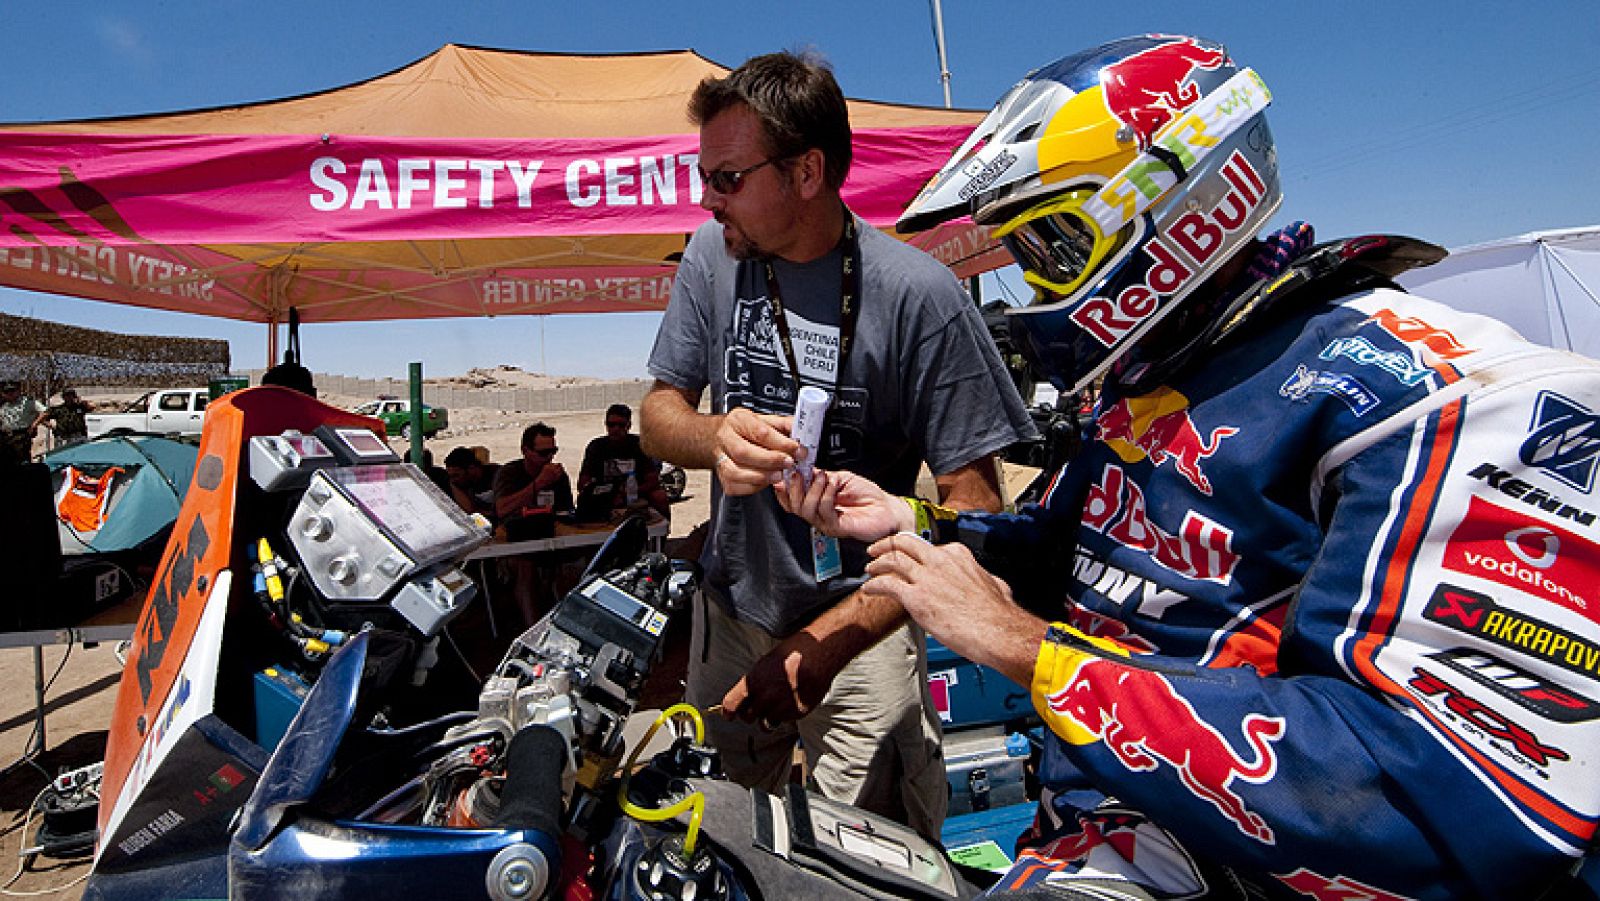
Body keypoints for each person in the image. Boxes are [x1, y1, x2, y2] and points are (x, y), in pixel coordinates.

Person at [778, 34, 1600, 900]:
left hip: (1247, 865)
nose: (1029, 286)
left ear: (1176, 200)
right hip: (1110, 821)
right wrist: (921, 524)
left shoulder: (1450, 395)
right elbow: (1076, 554)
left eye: (1049, 246)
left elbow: (1449, 799)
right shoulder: (1157, 380)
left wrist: (1030, 653)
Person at [640, 50, 1036, 841]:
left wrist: (828, 644)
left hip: (864, 635)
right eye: (703, 176)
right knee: (712, 838)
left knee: (868, 860)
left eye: (728, 178)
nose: (709, 198)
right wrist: (714, 435)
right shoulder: (711, 258)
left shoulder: (919, 295)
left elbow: (976, 507)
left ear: (806, 172)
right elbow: (658, 413)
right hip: (731, 612)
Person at [493, 422, 576, 625]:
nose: (549, 458)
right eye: (543, 453)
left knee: (574, 562)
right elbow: (502, 508)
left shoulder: (558, 476)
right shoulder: (509, 473)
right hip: (517, 541)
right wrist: (539, 483)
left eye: (553, 451)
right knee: (525, 565)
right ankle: (533, 627)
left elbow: (566, 510)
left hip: (550, 536)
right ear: (526, 451)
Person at [577, 404, 670, 520]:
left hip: (636, 493)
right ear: (606, 425)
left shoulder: (639, 445)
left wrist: (630, 492)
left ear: (628, 426)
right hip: (604, 494)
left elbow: (652, 480)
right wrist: (604, 493)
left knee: (659, 497)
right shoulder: (596, 446)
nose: (615, 429)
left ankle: (661, 535)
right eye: (611, 425)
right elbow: (582, 482)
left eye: (621, 425)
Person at [444, 445, 499, 520]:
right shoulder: (459, 483)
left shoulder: (497, 475)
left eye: (456, 475)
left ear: (471, 468)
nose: (453, 480)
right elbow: (469, 510)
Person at [0, 380, 46, 465]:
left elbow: (44, 411)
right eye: (6, 391)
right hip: (6, 436)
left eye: (12, 391)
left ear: (18, 391)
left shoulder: (27, 402)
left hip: (21, 434)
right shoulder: (3, 405)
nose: (10, 393)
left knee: (21, 459)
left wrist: (34, 425)